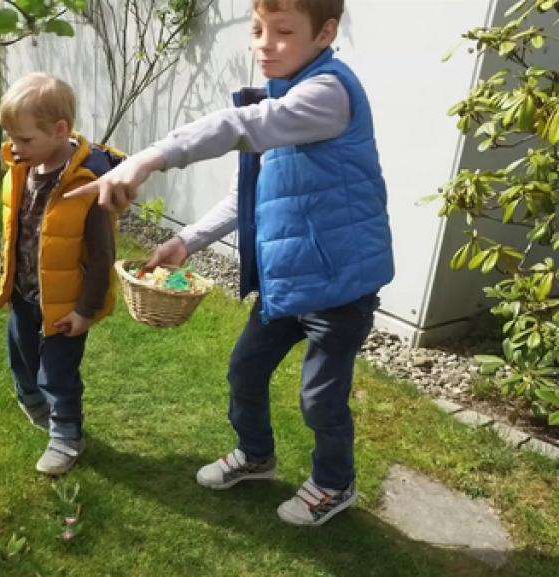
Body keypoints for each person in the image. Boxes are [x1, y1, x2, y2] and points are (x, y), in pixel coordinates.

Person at [67, 0, 393, 525]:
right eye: (258, 29)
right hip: (287, 283)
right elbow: (252, 193)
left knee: (320, 400)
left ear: (324, 34)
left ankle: (335, 483)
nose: (265, 43)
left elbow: (238, 126)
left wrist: (150, 158)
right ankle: (256, 455)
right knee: (244, 370)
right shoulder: (284, 98)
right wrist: (187, 241)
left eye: (284, 31)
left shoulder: (327, 94)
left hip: (339, 286)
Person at [0, 72, 124, 475]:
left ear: (60, 130)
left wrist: (85, 310)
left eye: (25, 139)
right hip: (25, 293)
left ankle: (67, 435)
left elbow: (102, 257)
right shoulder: (22, 169)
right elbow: (18, 228)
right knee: (21, 357)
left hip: (67, 304)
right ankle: (33, 402)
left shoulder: (87, 185)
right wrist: (9, 271)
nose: (15, 148)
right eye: (11, 138)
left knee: (59, 373)